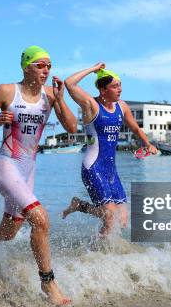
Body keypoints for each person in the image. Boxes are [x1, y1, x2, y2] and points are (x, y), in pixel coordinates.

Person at [0, 46, 77, 306]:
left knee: (8, 231)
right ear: (26, 67)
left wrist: (61, 99)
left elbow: (72, 127)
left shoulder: (51, 95)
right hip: (6, 168)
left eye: (49, 66)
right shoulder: (7, 91)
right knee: (40, 220)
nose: (46, 70)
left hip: (27, 172)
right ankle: (48, 283)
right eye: (40, 65)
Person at [62, 64, 157, 235]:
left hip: (111, 170)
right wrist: (93, 69)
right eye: (114, 86)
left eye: (120, 85)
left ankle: (79, 205)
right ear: (102, 89)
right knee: (109, 217)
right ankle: (98, 256)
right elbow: (69, 83)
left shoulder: (122, 106)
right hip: (93, 167)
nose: (119, 89)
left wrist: (147, 143)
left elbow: (135, 129)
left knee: (122, 219)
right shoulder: (91, 105)